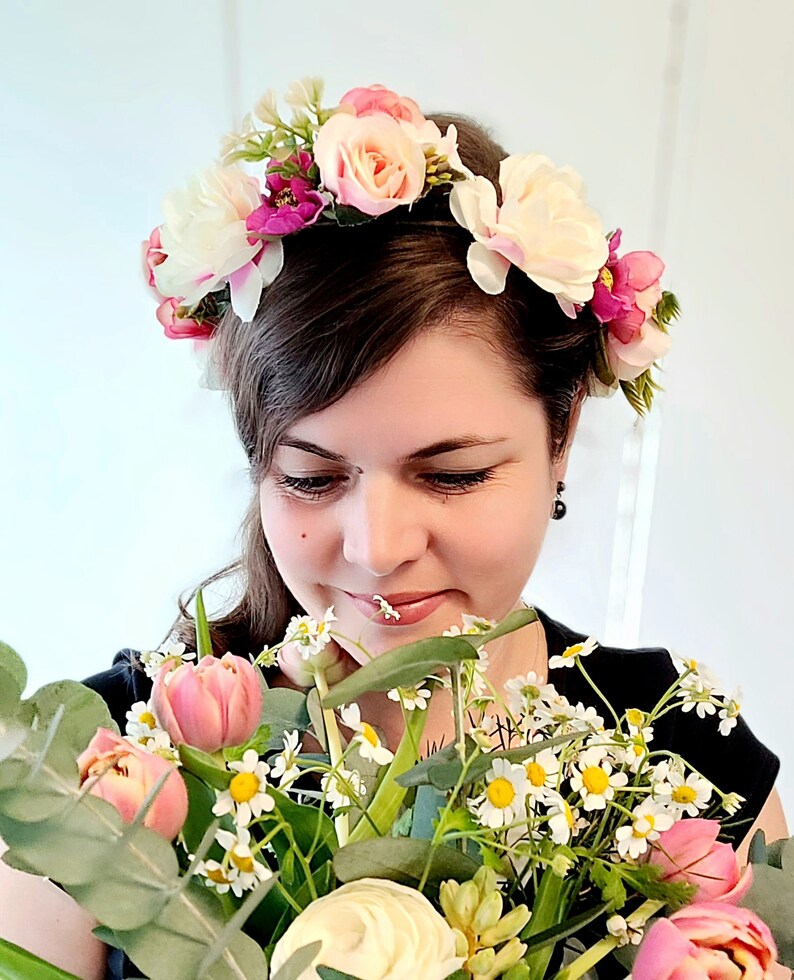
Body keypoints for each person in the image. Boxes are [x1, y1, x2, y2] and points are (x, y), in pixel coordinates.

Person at [1, 82, 788, 979]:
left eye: (451, 475)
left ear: (560, 434)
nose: (377, 547)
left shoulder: (686, 761)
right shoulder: (102, 766)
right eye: (312, 478)